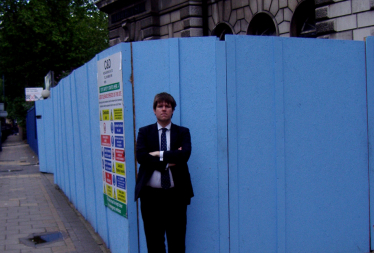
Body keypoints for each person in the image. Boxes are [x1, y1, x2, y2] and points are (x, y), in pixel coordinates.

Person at [134, 92, 194, 253]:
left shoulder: (183, 132)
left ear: (173, 110)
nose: (164, 109)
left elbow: (185, 155)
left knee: (177, 243)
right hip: (150, 197)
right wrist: (169, 160)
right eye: (160, 106)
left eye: (168, 106)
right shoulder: (144, 132)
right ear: (154, 110)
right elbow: (141, 157)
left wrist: (156, 154)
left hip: (176, 196)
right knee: (154, 244)